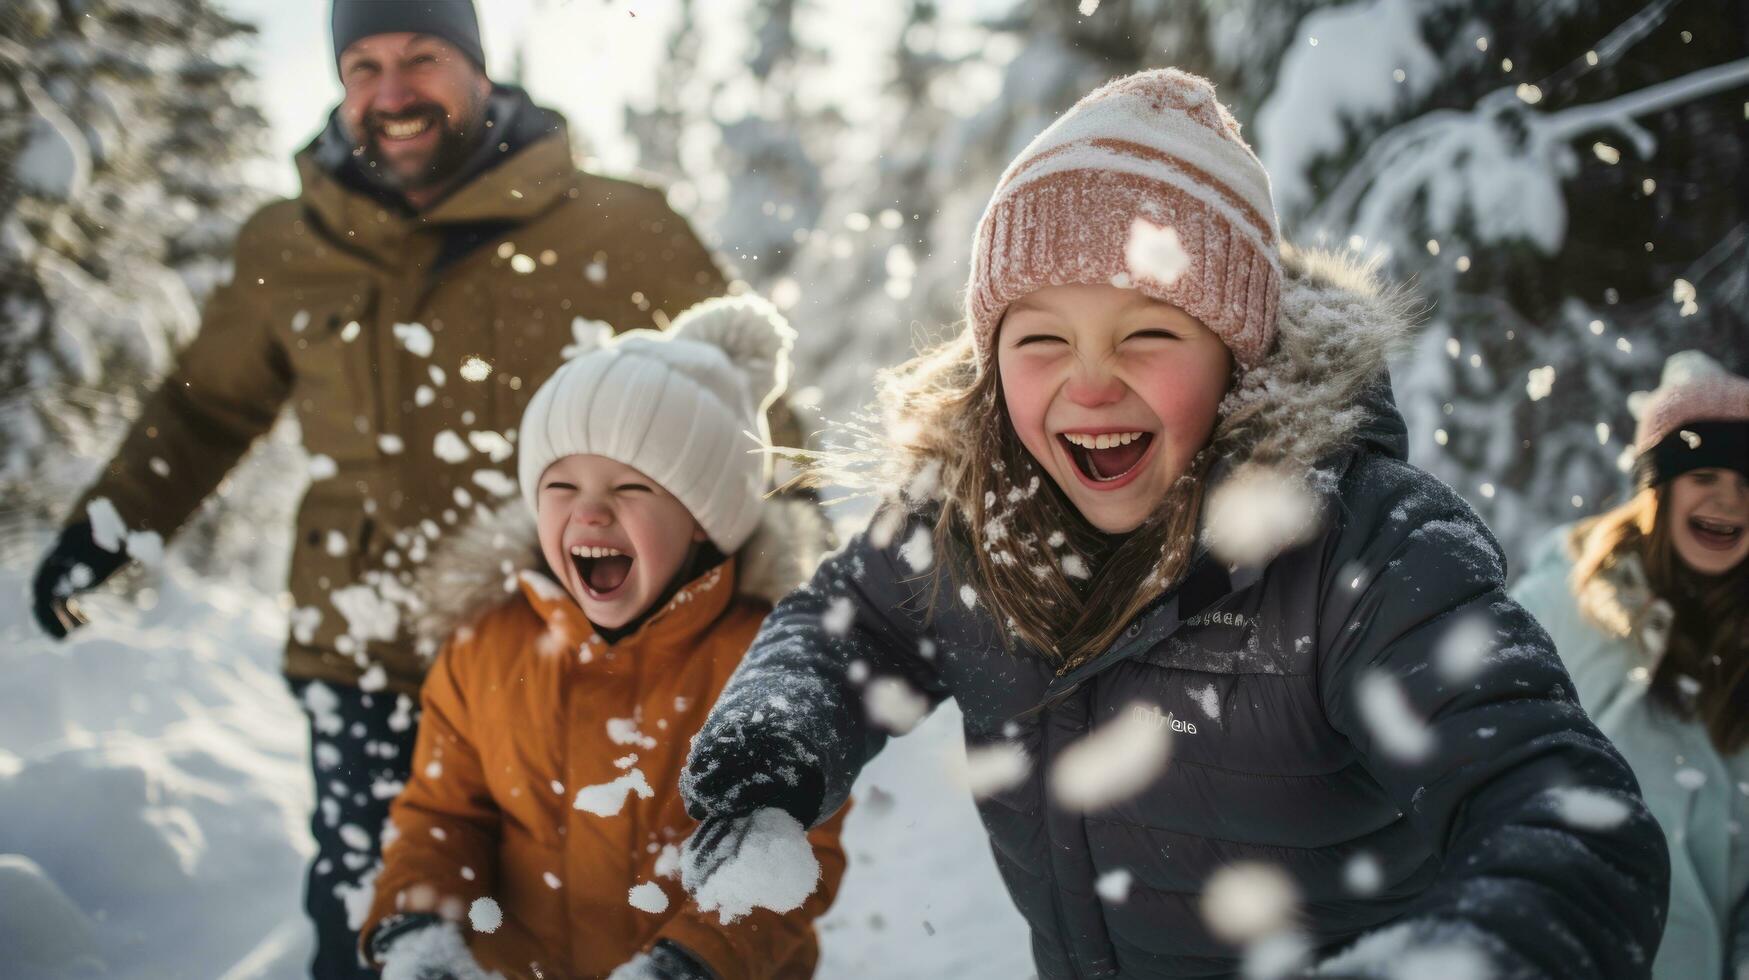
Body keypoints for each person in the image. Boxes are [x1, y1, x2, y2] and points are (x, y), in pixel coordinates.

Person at [678, 69, 1670, 979]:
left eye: (1148, 332)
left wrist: (1468, 954)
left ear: (1238, 355)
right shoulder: (971, 524)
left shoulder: (1365, 548)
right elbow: (855, 625)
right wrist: (779, 735)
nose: (1092, 378)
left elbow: (1562, 807)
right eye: (1042, 339)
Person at [27, 2, 726, 974]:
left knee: (579, 930)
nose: (391, 92)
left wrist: (792, 603)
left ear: (478, 69)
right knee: (371, 931)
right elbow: (205, 410)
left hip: (569, 651)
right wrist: (110, 523)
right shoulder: (289, 243)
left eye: (422, 57)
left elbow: (735, 408)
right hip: (363, 653)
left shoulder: (619, 225)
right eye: (363, 66)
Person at [359, 295, 847, 980]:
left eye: (631, 487)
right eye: (560, 484)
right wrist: (419, 924)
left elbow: (789, 852)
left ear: (705, 518)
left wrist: (690, 964)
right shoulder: (485, 646)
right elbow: (442, 816)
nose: (588, 509)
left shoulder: (766, 664)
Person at [1511, 351, 1749, 980]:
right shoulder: (1568, 604)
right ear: (1660, 487)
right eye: (1705, 475)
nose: (1730, 499)